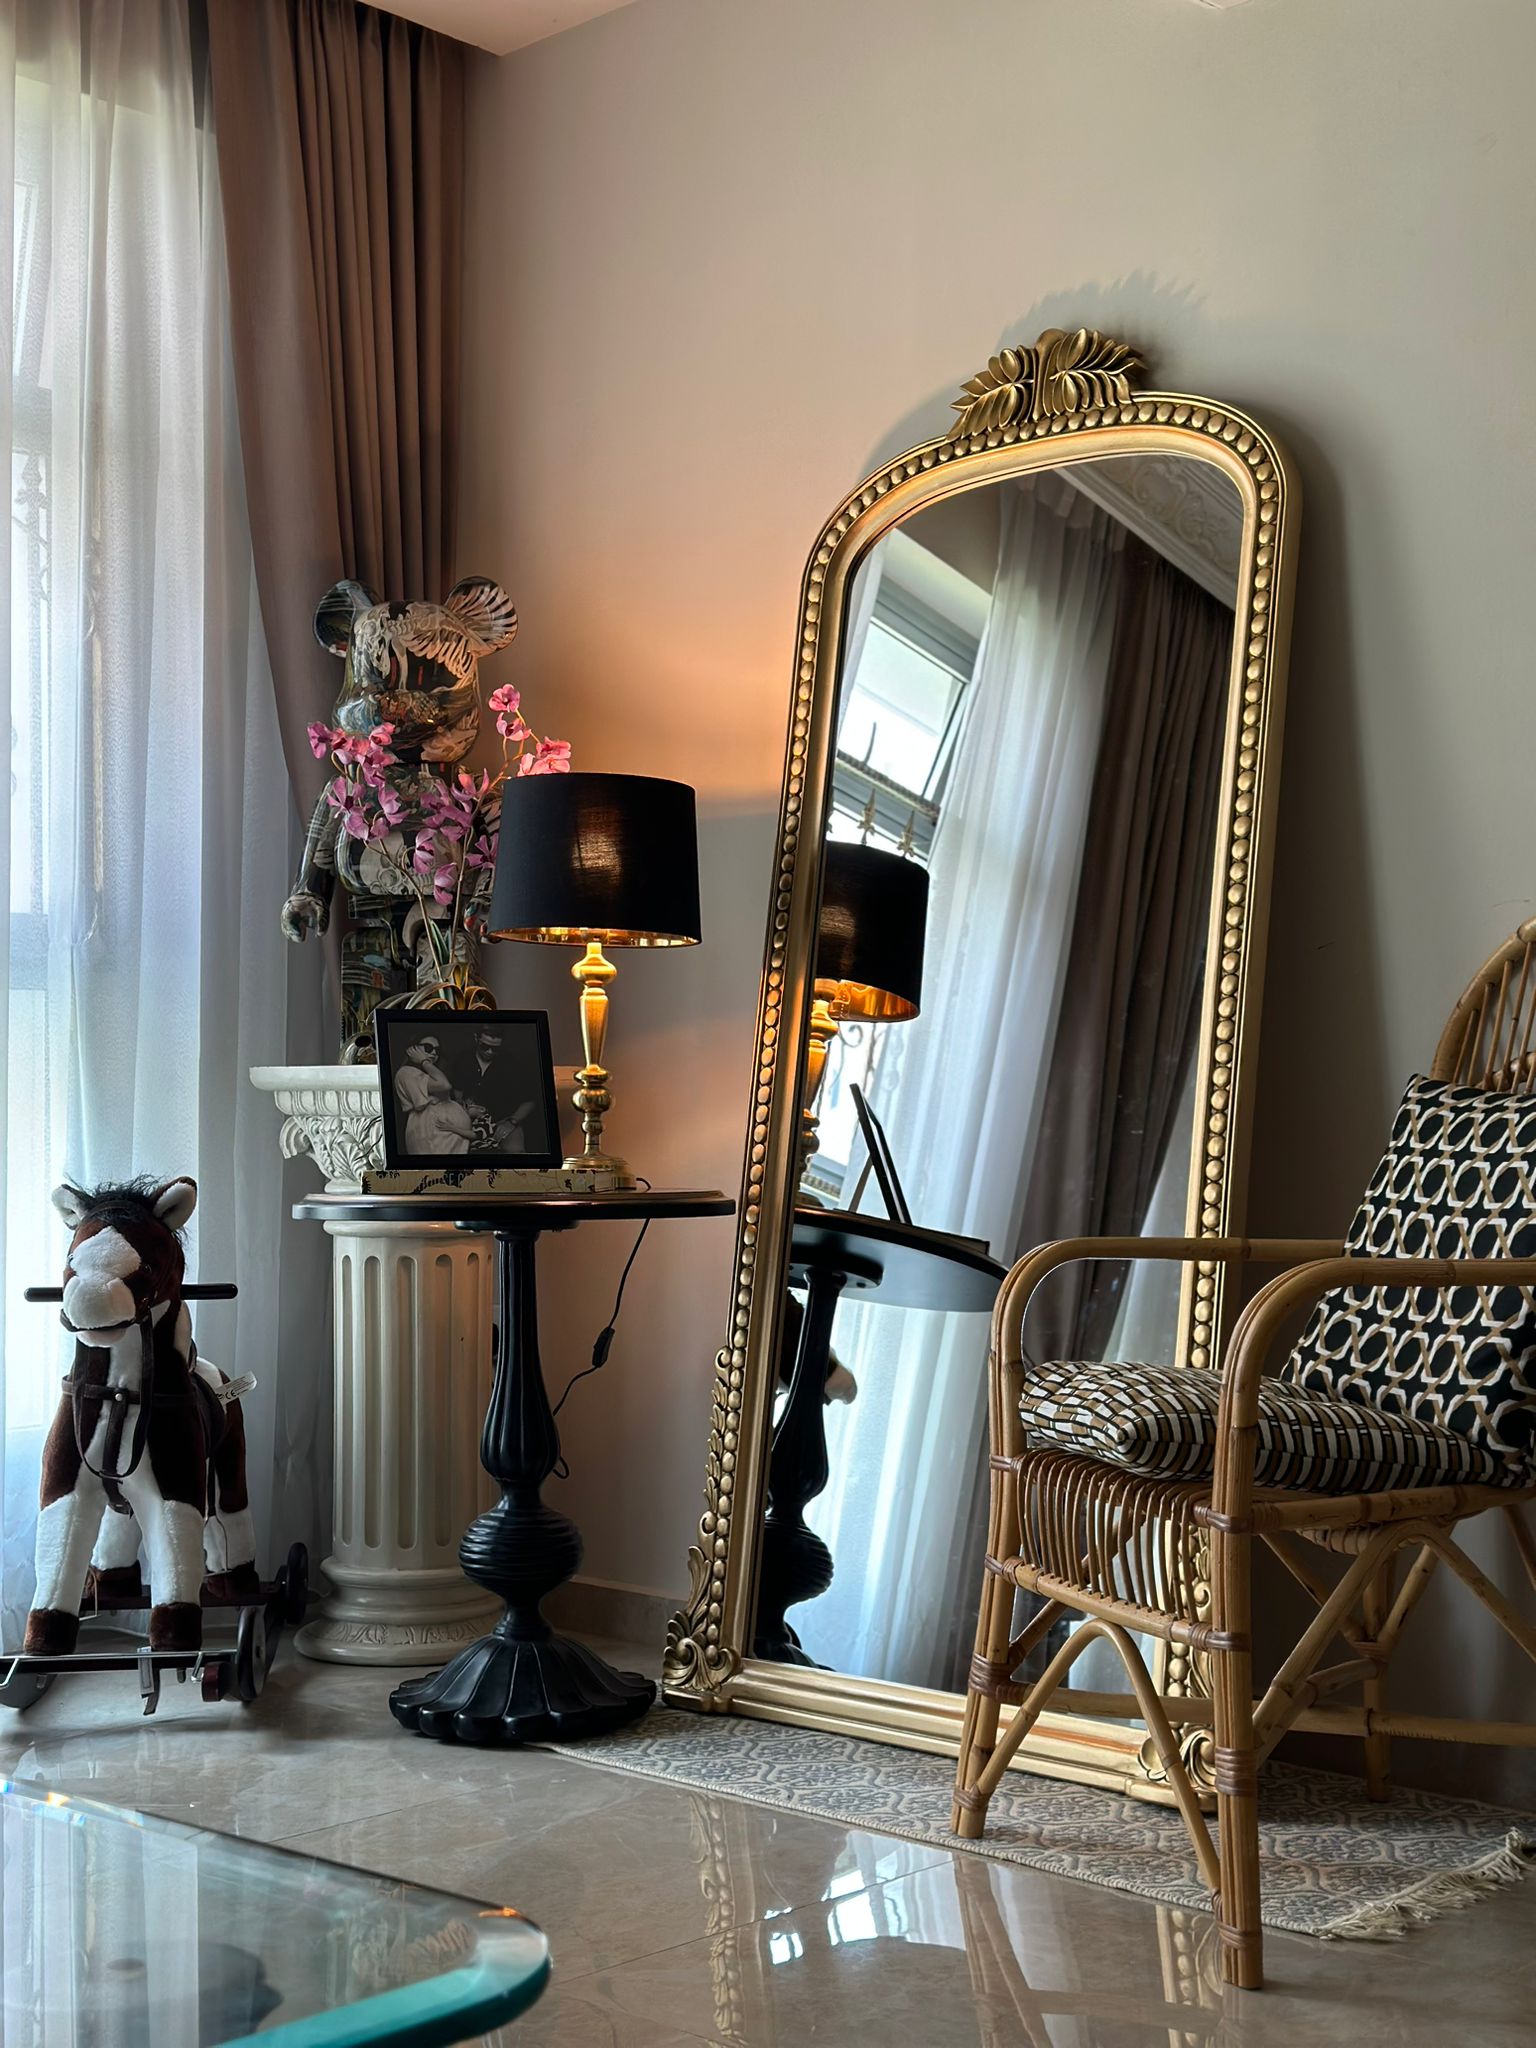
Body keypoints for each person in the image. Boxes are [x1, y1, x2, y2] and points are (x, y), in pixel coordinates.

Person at [442, 1023, 537, 1154]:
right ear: (476, 1039)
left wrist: (512, 1122)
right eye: (485, 1047)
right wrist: (462, 1108)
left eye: (495, 1048)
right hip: (470, 1119)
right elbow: (457, 1090)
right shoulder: (463, 1059)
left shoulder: (511, 1063)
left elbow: (530, 1100)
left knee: (516, 1153)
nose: (490, 1052)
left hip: (502, 1120)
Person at [394, 1037, 475, 1154]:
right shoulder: (407, 1072)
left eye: (437, 1050)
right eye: (428, 1048)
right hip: (431, 1135)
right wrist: (424, 1061)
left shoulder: (430, 1072)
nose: (433, 1053)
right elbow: (444, 1085)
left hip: (448, 1136)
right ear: (412, 1049)